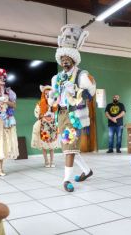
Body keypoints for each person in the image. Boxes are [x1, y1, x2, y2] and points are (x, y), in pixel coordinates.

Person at [48, 24, 96, 192]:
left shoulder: (82, 75)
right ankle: (87, 171)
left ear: (74, 59)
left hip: (74, 115)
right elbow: (53, 96)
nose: (65, 61)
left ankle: (66, 180)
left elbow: (91, 93)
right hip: (60, 115)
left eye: (68, 58)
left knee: (69, 148)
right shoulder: (57, 78)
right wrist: (50, 98)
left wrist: (77, 92)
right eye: (62, 59)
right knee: (69, 147)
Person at [31, 85, 59, 167]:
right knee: (44, 145)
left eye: (49, 93)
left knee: (52, 145)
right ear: (43, 94)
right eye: (46, 93)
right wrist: (43, 116)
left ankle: (52, 161)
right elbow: (37, 114)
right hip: (44, 126)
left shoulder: (54, 104)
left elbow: (55, 113)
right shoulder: (40, 104)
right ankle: (46, 161)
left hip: (52, 126)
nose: (47, 95)